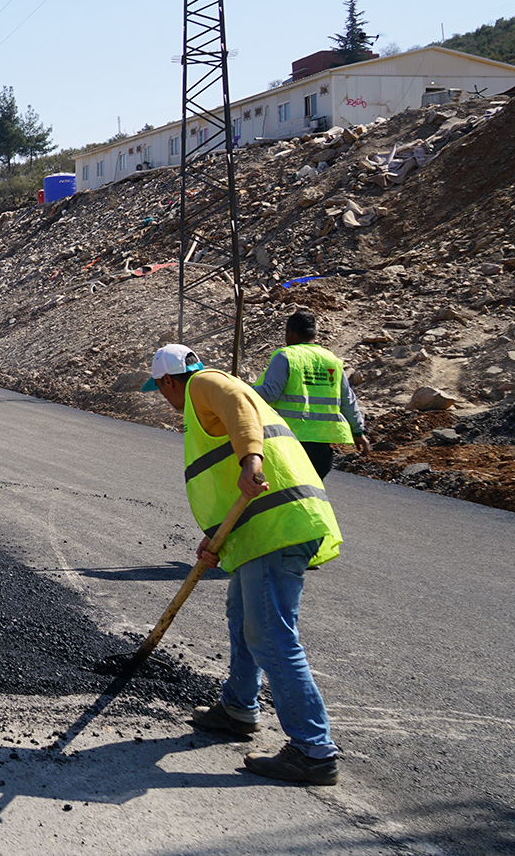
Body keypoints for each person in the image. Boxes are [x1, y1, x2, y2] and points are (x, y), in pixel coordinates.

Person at [143, 343, 345, 786]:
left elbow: (238, 407)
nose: (165, 400)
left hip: (279, 528)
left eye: (160, 390)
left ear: (168, 381)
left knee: (270, 635)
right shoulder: (205, 396)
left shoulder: (205, 384)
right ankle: (238, 707)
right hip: (261, 529)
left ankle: (313, 749)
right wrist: (219, 536)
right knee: (241, 616)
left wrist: (250, 460)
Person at [252, 311, 369, 480]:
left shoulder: (286, 356)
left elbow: (270, 393)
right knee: (311, 489)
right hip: (321, 445)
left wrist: (243, 389)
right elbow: (347, 400)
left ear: (290, 332)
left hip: (288, 439)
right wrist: (358, 432)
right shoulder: (332, 360)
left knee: (287, 490)